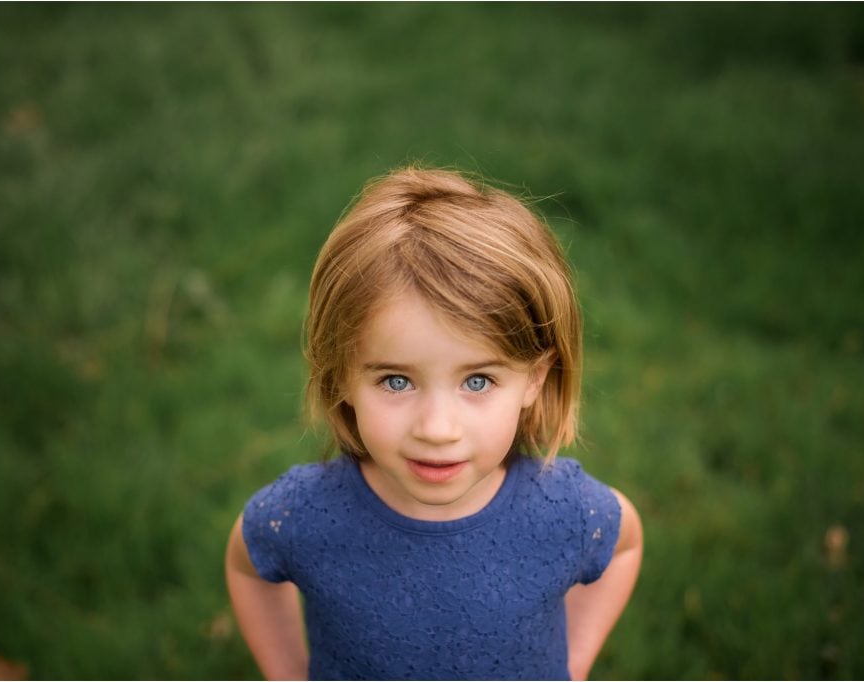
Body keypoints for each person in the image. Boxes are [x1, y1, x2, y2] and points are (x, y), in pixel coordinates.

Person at [225, 166, 643, 680]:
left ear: (535, 379)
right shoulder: (304, 515)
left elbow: (625, 545)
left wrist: (571, 664)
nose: (438, 428)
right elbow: (246, 565)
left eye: (477, 381)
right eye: (397, 381)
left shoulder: (568, 511)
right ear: (341, 377)